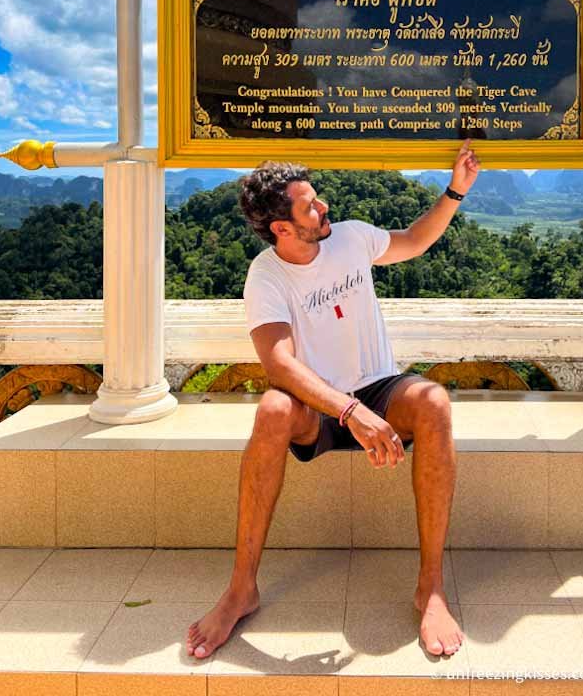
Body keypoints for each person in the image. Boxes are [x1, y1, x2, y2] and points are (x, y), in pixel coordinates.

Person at [186, 139, 480, 660]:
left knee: (433, 401)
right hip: (318, 405)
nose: (323, 208)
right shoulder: (267, 275)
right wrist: (346, 410)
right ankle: (241, 589)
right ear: (281, 228)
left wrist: (455, 189)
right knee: (273, 407)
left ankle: (430, 587)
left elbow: (413, 240)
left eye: (317, 198)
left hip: (377, 387)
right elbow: (279, 363)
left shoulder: (349, 238)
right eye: (310, 206)